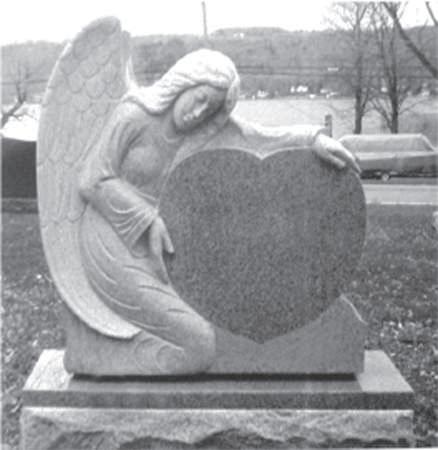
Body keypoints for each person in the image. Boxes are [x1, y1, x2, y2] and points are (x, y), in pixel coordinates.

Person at [78, 49, 359, 374]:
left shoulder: (202, 132)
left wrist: (314, 140)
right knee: (199, 347)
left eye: (209, 108)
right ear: (183, 84)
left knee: (214, 326)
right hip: (110, 240)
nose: (198, 113)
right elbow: (91, 179)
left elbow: (257, 138)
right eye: (199, 99)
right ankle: (98, 358)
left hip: (158, 246)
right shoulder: (134, 116)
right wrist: (145, 218)